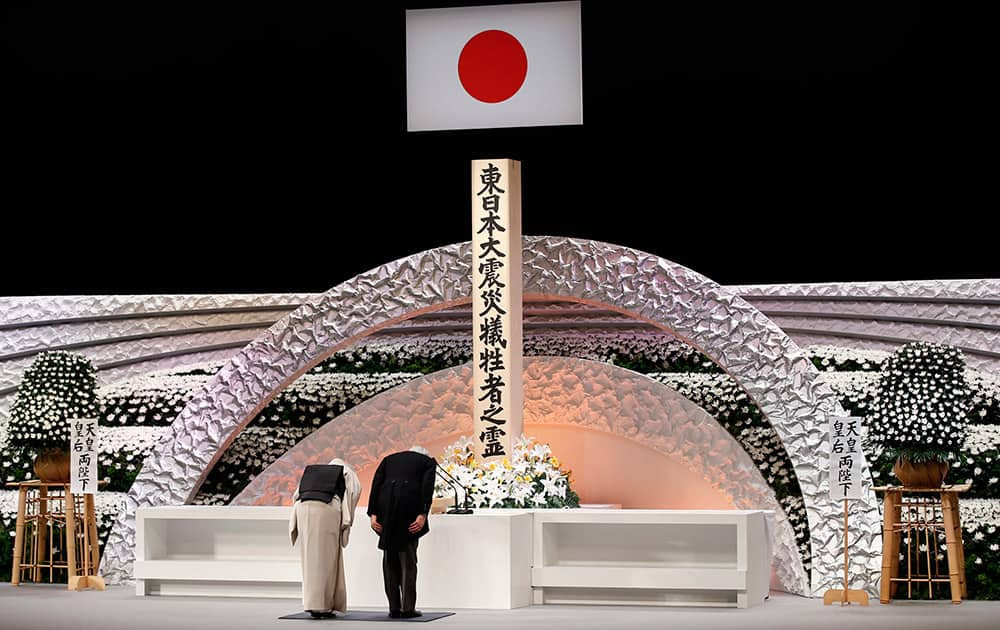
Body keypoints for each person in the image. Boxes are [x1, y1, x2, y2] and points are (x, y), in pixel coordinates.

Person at [367, 445, 437, 619]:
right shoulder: (427, 462)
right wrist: (422, 514)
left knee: (389, 560)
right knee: (408, 561)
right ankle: (408, 608)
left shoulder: (389, 459)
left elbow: (376, 484)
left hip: (386, 510)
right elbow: (427, 489)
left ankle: (394, 608)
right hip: (409, 510)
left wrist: (372, 514)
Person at [289, 457, 362, 618]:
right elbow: (353, 493)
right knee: (327, 559)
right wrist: (346, 524)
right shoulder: (347, 472)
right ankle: (323, 606)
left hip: (303, 509)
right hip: (327, 509)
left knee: (309, 560)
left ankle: (312, 604)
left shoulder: (314, 473)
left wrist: (294, 524)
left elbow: (296, 496)